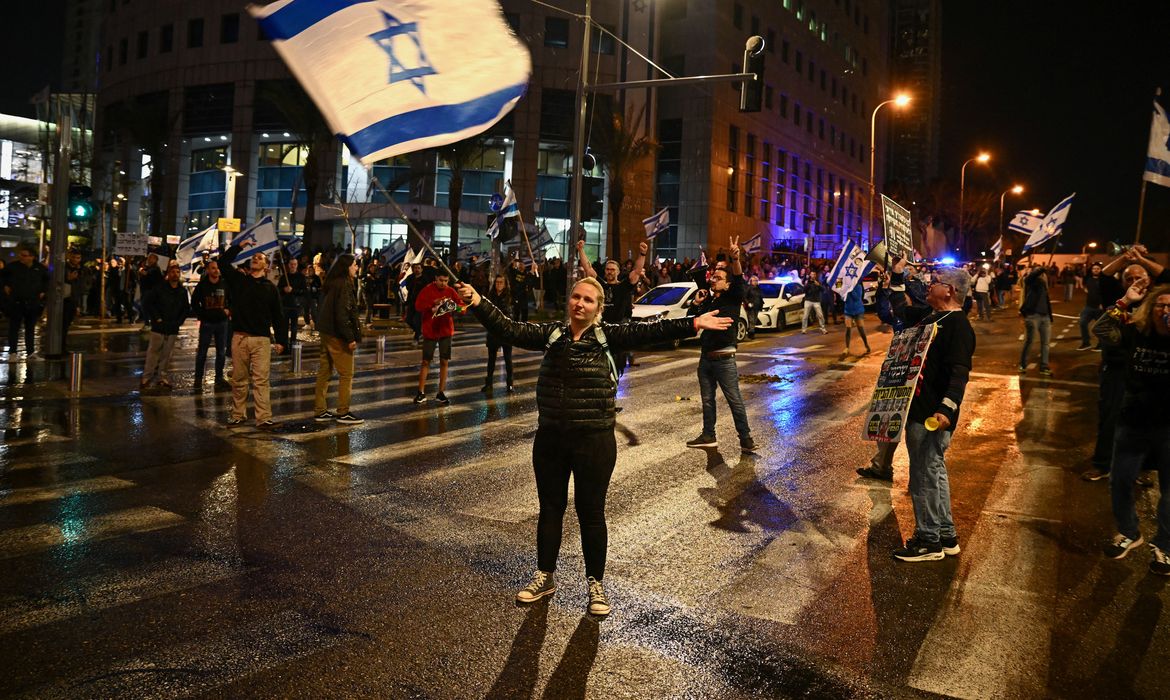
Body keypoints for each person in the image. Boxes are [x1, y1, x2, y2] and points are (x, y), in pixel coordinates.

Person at [455, 275, 731, 618]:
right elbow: (509, 329)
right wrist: (478, 301)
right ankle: (545, 576)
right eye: (576, 297)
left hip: (594, 441)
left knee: (591, 514)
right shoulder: (552, 334)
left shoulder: (608, 336)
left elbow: (651, 331)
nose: (579, 303)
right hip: (551, 438)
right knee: (550, 509)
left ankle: (595, 585)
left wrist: (693, 323)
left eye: (587, 300)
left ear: (598, 309)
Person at [888, 263, 976, 562]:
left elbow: (959, 373)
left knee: (923, 476)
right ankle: (946, 535)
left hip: (931, 415)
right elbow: (899, 310)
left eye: (935, 281)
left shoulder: (958, 325)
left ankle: (928, 541)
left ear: (949, 290)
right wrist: (898, 276)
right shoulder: (931, 316)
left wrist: (946, 409)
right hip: (919, 410)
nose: (929, 283)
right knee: (933, 471)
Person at [1093, 281, 1170, 576]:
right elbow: (1101, 331)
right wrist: (1125, 301)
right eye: (1160, 305)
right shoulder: (1136, 334)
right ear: (1150, 309)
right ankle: (1129, 532)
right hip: (1134, 422)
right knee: (1121, 481)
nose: (1165, 311)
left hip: (1168, 426)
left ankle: (1165, 546)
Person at [1082, 248, 1169, 482]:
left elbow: (1167, 277)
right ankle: (1102, 464)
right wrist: (1126, 260)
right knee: (1110, 417)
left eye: (1139, 277)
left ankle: (1139, 467)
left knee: (1145, 422)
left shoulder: (1158, 303)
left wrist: (1142, 261)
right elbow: (1105, 277)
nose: (1134, 282)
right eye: (1129, 278)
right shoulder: (1120, 297)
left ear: (1150, 280)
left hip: (1145, 372)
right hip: (1117, 368)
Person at [685, 236, 755, 452]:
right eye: (712, 276)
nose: (713, 279)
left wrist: (735, 259)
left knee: (734, 400)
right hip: (706, 358)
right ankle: (708, 435)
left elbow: (739, 280)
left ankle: (745, 439)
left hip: (724, 359)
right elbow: (690, 320)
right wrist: (695, 304)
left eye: (717, 277)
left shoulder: (733, 297)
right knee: (707, 400)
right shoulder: (708, 299)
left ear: (727, 283)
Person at [220, 241, 288, 428]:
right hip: (240, 337)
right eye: (254, 257)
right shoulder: (239, 280)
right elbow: (223, 263)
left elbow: (278, 316)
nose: (256, 259)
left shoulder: (270, 288)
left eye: (260, 258)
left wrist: (281, 340)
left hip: (261, 340)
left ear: (266, 266)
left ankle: (263, 417)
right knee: (239, 379)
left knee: (261, 381)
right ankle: (238, 414)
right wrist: (239, 246)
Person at [314, 254, 364, 425]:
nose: (357, 268)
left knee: (325, 371)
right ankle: (343, 411)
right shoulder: (343, 285)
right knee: (346, 374)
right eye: (355, 265)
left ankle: (320, 410)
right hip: (336, 334)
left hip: (326, 331)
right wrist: (350, 337)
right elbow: (342, 313)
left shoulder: (332, 283)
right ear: (346, 267)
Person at [414, 269, 464, 406]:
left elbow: (462, 308)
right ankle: (420, 392)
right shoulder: (427, 290)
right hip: (430, 331)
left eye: (446, 281)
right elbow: (418, 306)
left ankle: (441, 392)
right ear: (435, 278)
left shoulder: (450, 291)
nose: (443, 284)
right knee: (426, 361)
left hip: (446, 331)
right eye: (441, 280)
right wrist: (432, 304)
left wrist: (456, 308)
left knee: (444, 361)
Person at [140, 263, 190, 389]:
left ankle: (162, 377)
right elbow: (148, 303)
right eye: (173, 272)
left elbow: (185, 309)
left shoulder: (182, 291)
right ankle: (147, 377)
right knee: (153, 353)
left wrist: (178, 322)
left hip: (172, 327)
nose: (175, 274)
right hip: (159, 327)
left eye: (177, 272)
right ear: (168, 274)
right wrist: (156, 318)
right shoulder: (159, 288)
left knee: (166, 355)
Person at [190, 259, 232, 391]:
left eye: (217, 268)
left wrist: (228, 310)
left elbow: (231, 299)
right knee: (202, 352)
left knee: (221, 352)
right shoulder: (202, 285)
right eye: (213, 268)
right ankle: (198, 379)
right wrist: (202, 315)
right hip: (207, 323)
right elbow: (194, 303)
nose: (216, 270)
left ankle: (219, 378)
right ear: (208, 270)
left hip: (222, 323)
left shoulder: (225, 284)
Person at [2, 246, 49, 357]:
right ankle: (12, 351)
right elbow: (2, 277)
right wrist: (5, 287)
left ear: (32, 257)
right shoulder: (13, 267)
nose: (21, 257)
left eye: (24, 255)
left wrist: (43, 291)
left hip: (32, 302)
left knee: (30, 328)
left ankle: (30, 351)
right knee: (14, 328)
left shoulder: (39, 268)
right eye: (21, 255)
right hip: (17, 301)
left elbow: (46, 280)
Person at [481, 274, 515, 394]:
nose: (498, 284)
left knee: (508, 359)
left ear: (505, 284)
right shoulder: (491, 296)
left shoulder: (509, 297)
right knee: (491, 360)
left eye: (501, 282)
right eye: (497, 282)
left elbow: (510, 314)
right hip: (493, 332)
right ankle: (489, 383)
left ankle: (510, 384)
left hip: (505, 332)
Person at [1018, 264, 1053, 376]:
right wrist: (1041, 269)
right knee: (1030, 341)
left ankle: (1044, 366)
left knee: (1046, 343)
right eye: (1041, 273)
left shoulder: (1043, 284)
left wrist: (1049, 316)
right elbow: (1031, 277)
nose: (1043, 275)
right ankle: (1023, 365)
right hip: (1033, 316)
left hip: (1045, 316)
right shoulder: (1031, 282)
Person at [277, 257, 306, 351]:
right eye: (291, 264)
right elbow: (278, 290)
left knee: (294, 328)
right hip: (285, 305)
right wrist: (284, 289)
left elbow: (304, 291)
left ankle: (293, 347)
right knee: (284, 328)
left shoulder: (301, 277)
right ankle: (285, 346)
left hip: (295, 305)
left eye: (295, 264)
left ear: (297, 265)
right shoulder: (284, 276)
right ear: (288, 265)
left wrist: (293, 290)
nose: (293, 266)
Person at [1078, 261, 1106, 350]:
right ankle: (1086, 343)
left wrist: (1103, 303)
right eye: (1094, 269)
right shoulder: (1089, 279)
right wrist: (1084, 288)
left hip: (1100, 308)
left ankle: (1101, 345)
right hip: (1089, 306)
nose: (1096, 270)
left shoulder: (1104, 280)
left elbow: (1106, 293)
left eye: (1098, 269)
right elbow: (1085, 287)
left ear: (1101, 270)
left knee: (1100, 327)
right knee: (1082, 323)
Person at [843, 282, 871, 354]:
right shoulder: (845, 286)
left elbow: (857, 297)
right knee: (848, 328)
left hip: (858, 310)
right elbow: (842, 297)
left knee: (860, 328)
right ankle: (847, 348)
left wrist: (850, 289)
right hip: (848, 310)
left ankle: (866, 344)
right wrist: (843, 292)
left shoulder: (858, 286)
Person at [745, 275, 764, 339]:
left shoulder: (758, 288)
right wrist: (748, 303)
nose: (755, 282)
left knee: (755, 320)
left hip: (757, 306)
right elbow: (745, 297)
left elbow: (760, 296)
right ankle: (751, 333)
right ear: (750, 281)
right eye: (754, 280)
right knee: (751, 320)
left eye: (756, 280)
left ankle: (751, 332)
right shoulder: (748, 288)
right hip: (751, 306)